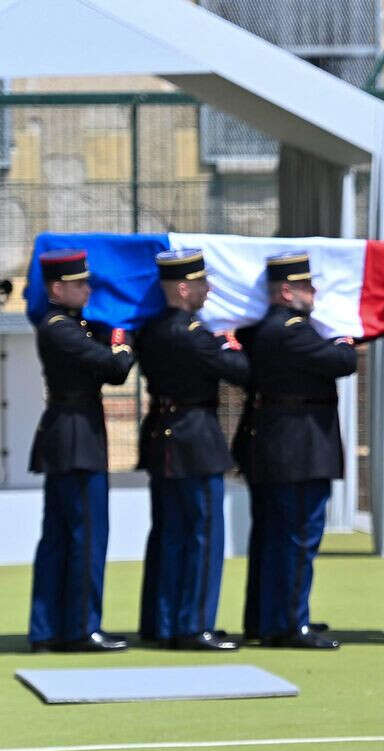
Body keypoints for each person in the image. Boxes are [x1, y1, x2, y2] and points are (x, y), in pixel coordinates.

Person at [237, 252, 357, 649]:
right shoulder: (290, 330)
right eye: (306, 286)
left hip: (279, 446)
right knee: (298, 537)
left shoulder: (266, 329)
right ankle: (289, 623)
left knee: (274, 537)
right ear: (286, 291)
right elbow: (342, 360)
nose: (314, 292)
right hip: (298, 449)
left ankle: (267, 619)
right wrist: (341, 333)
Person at [136, 249, 249, 650]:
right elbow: (240, 373)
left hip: (161, 437)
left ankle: (162, 623)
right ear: (184, 288)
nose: (209, 289)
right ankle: (194, 625)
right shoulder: (194, 335)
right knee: (203, 535)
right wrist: (233, 344)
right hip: (194, 439)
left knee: (168, 534)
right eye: (202, 283)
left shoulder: (149, 331)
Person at [27, 249, 135, 652]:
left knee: (59, 538)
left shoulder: (70, 324)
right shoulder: (60, 328)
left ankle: (48, 629)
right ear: (57, 288)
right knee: (85, 537)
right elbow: (115, 369)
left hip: (69, 436)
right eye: (79, 284)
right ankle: (79, 629)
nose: (88, 290)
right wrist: (122, 339)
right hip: (76, 440)